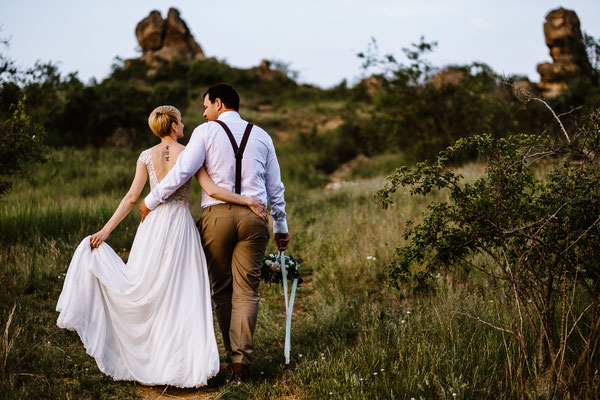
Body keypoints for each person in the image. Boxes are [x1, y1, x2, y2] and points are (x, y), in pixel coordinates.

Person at [56, 105, 266, 387]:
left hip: (152, 227)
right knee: (182, 294)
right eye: (180, 122)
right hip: (180, 228)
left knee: (150, 290)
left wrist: (105, 231)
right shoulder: (191, 153)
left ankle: (153, 358)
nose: (184, 126)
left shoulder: (145, 156)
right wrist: (248, 201)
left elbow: (132, 198)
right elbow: (214, 191)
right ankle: (182, 364)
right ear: (173, 126)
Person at [139, 83, 290, 380]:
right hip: (255, 218)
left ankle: (229, 353)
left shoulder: (205, 132)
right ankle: (241, 362)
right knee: (248, 291)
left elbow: (183, 170)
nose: (204, 112)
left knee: (223, 290)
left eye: (206, 106)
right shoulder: (262, 136)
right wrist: (281, 226)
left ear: (219, 103)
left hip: (216, 218)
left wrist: (151, 200)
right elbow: (276, 188)